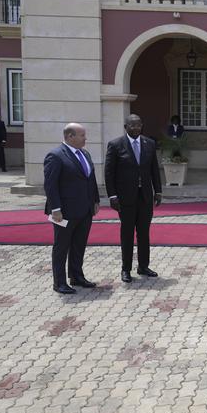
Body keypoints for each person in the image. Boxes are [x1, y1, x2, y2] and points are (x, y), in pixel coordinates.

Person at [105, 114, 163, 283]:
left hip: (145, 197)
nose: (136, 128)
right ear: (126, 127)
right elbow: (109, 173)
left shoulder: (149, 144)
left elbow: (154, 170)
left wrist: (157, 191)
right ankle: (126, 269)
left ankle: (143, 266)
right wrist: (112, 195)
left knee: (144, 233)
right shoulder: (116, 145)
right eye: (132, 125)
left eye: (138, 125)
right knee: (127, 233)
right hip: (125, 198)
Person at [43, 123, 100, 294]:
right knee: (61, 246)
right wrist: (55, 209)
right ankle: (59, 282)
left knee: (78, 245)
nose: (85, 138)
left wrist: (95, 200)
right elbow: (50, 185)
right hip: (64, 211)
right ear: (70, 137)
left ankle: (76, 276)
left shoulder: (85, 154)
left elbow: (91, 179)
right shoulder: (56, 155)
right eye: (82, 135)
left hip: (85, 209)